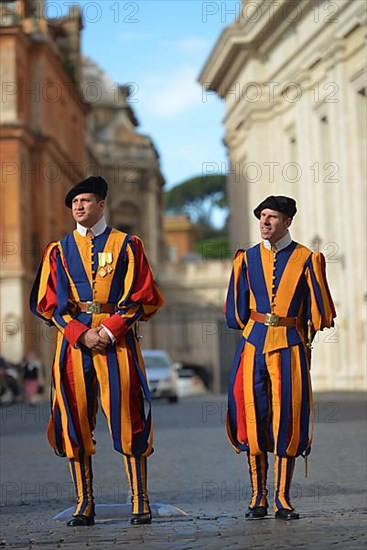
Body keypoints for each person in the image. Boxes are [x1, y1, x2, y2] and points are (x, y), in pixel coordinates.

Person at [30, 176, 164, 526]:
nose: (79, 206)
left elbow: (141, 297)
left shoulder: (127, 245)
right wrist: (81, 334)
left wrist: (108, 329)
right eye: (74, 202)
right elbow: (51, 305)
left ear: (101, 205)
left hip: (117, 344)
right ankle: (84, 503)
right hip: (74, 347)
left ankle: (140, 500)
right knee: (74, 421)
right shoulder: (57, 251)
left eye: (86, 200)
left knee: (128, 417)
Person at [225, 195, 336, 520]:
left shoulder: (307, 258)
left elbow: (322, 312)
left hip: (290, 344)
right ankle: (258, 495)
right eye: (262, 216)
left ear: (287, 221)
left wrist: (305, 332)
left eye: (273, 217)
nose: (265, 222)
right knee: (252, 416)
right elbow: (235, 311)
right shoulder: (245, 259)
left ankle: (282, 498)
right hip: (253, 345)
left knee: (289, 416)